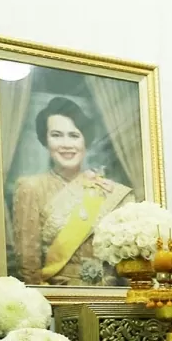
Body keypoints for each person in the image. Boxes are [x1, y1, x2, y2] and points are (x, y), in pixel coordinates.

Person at [10, 96, 134, 286]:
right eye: (57, 135)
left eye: (74, 135)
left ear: (85, 140)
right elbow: (29, 269)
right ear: (45, 140)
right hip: (60, 298)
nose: (66, 144)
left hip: (110, 296)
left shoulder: (109, 190)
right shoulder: (31, 188)